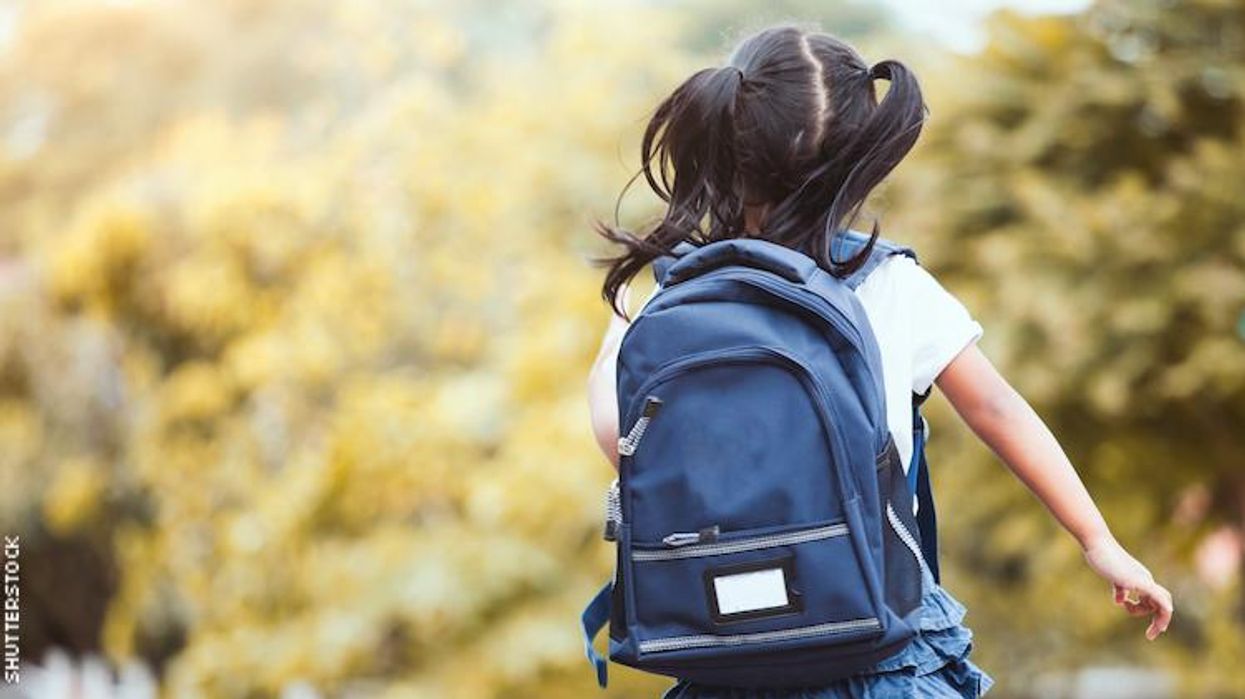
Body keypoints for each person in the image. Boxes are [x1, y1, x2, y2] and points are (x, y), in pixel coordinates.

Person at [585, 23, 1174, 698]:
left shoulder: (673, 301)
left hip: (722, 655)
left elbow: (623, 447)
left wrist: (613, 346)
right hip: (879, 651)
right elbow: (996, 408)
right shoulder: (885, 283)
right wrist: (1096, 540)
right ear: (856, 163)